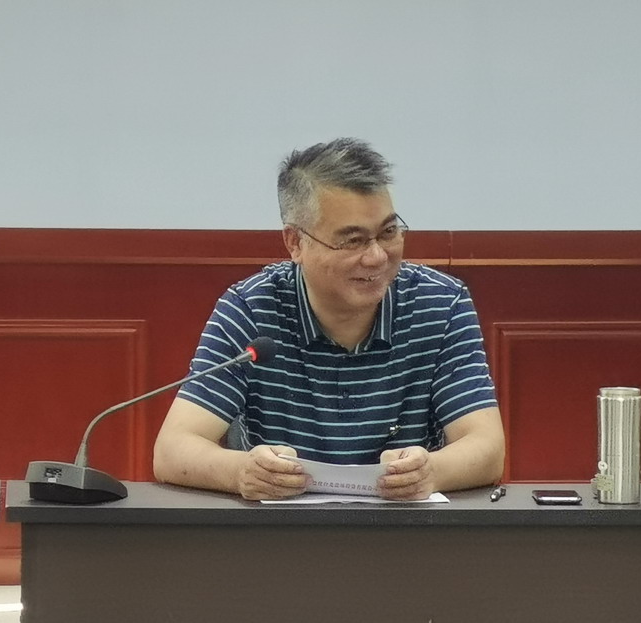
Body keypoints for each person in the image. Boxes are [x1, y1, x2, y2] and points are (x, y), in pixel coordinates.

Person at [153, 138, 504, 500]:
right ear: (295, 243)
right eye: (352, 241)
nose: (376, 257)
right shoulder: (250, 309)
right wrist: (242, 471)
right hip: (281, 526)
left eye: (388, 232)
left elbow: (487, 447)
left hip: (404, 527)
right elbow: (172, 450)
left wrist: (431, 472)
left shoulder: (441, 303)